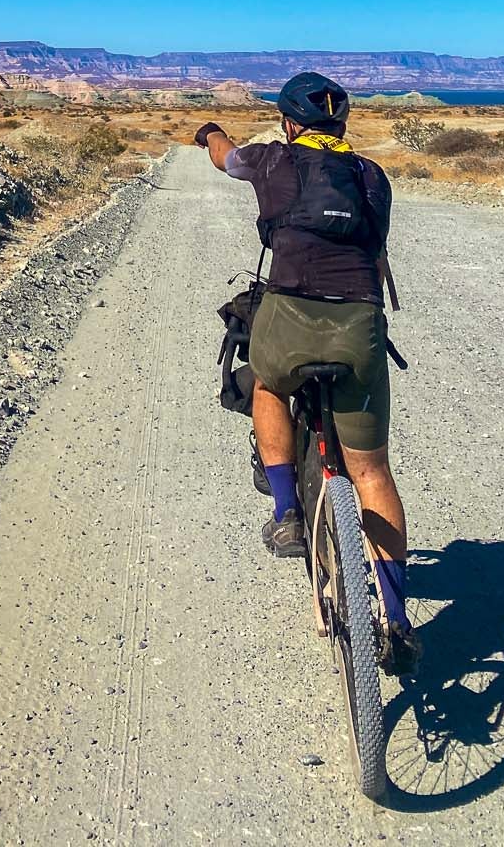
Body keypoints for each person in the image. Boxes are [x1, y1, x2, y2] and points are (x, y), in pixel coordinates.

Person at [194, 72, 419, 672]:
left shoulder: (271, 160)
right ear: (341, 124)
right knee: (372, 471)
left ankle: (287, 513)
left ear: (290, 123)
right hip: (359, 324)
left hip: (290, 316)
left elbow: (225, 157)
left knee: (267, 383)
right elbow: (375, 250)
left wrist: (210, 132)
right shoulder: (372, 176)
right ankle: (396, 618)